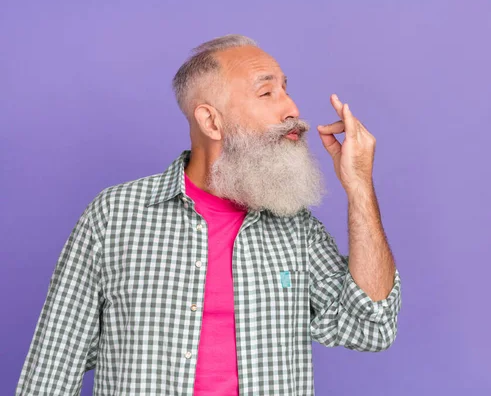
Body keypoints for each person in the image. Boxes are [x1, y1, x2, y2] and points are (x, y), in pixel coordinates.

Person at [15, 34, 402, 396]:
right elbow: (53, 367)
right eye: (267, 92)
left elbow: (372, 326)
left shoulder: (296, 228)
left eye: (286, 89)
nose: (291, 108)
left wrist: (359, 187)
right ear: (211, 121)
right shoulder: (115, 216)